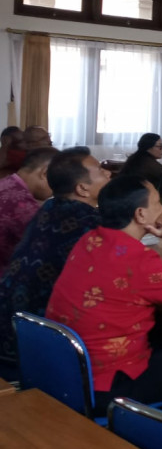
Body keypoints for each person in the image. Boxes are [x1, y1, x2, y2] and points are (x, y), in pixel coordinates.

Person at [46, 176, 162, 445]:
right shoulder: (138, 261)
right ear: (140, 214)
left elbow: (136, 280)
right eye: (158, 203)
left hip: (66, 369)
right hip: (106, 385)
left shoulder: (90, 239)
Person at [0, 147, 110, 379]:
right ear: (82, 188)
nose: (108, 173)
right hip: (36, 338)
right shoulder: (90, 224)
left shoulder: (48, 208)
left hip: (11, 322)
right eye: (101, 170)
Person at [0, 146, 58, 274]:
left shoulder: (6, 183)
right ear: (44, 173)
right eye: (58, 182)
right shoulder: (23, 205)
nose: (57, 190)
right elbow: (46, 248)